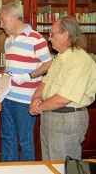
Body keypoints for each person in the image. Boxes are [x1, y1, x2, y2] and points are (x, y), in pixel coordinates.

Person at [0, 3, 52, 162]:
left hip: (25, 101)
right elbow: (9, 67)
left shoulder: (36, 39)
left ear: (13, 17)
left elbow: (49, 64)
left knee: (25, 141)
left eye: (2, 20)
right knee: (7, 138)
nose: (1, 25)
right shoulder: (8, 40)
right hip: (7, 96)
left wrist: (28, 76)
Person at [29, 15, 96, 160]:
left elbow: (64, 98)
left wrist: (38, 107)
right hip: (50, 115)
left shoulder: (80, 61)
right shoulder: (59, 58)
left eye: (53, 34)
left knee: (63, 166)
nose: (49, 38)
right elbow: (45, 83)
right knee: (49, 164)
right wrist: (35, 98)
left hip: (67, 119)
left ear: (66, 35)